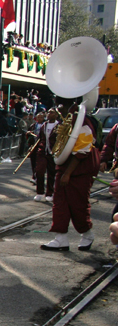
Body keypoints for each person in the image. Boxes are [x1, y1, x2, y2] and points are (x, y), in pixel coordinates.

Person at [41, 104, 99, 252]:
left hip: (79, 171)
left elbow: (83, 149)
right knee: (60, 203)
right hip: (64, 167)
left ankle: (87, 234)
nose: (59, 109)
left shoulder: (83, 121)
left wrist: (68, 173)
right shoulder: (64, 121)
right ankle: (60, 238)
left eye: (62, 106)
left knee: (78, 204)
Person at [35, 109, 58, 202]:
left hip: (53, 152)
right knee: (39, 170)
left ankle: (49, 193)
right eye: (48, 112)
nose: (49, 114)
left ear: (56, 115)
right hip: (43, 151)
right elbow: (39, 138)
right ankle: (39, 192)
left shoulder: (59, 126)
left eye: (51, 112)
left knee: (51, 173)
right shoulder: (44, 125)